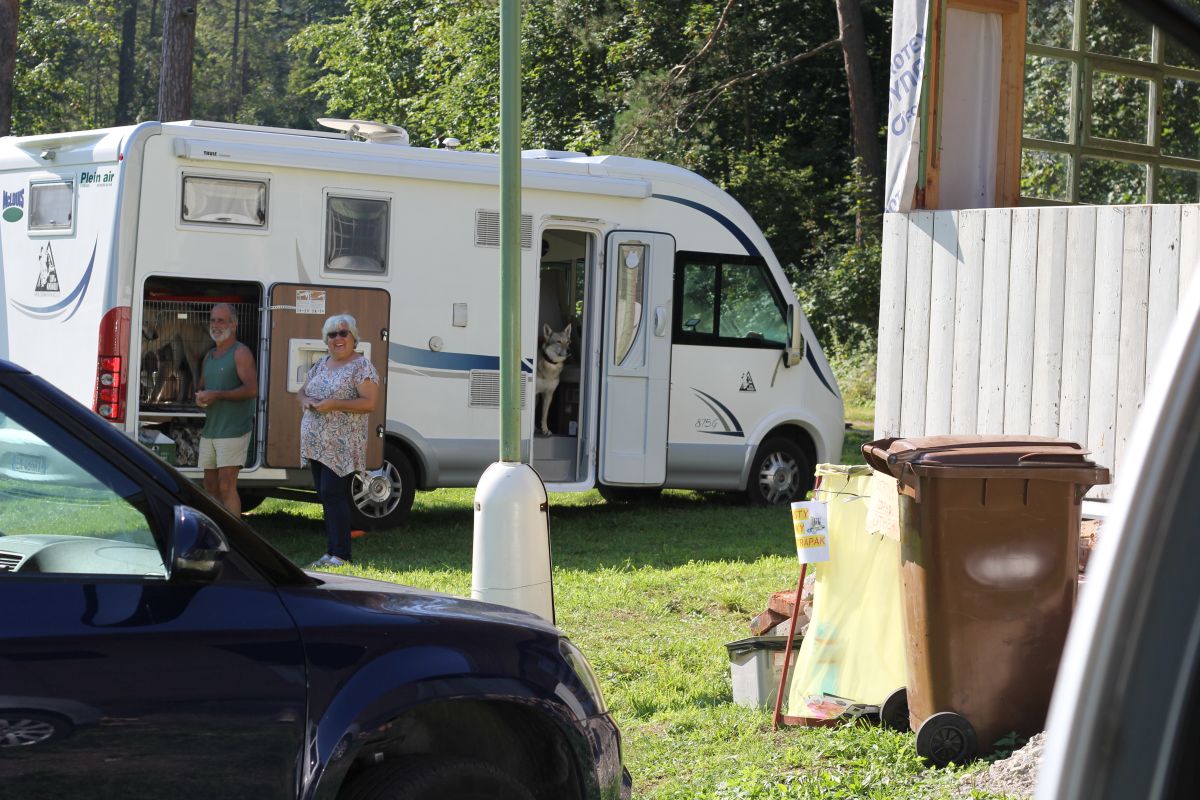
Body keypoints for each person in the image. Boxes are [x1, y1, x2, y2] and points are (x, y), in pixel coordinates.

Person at [299, 313, 379, 567]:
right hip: (317, 442)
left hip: (341, 444)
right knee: (325, 494)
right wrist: (305, 400)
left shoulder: (361, 366)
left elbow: (369, 403)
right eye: (332, 334)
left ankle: (342, 554)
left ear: (354, 337)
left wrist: (335, 404)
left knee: (334, 493)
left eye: (343, 333)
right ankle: (332, 551)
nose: (337, 338)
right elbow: (302, 390)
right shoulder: (322, 363)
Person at [195, 302, 258, 515]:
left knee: (226, 485)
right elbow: (203, 388)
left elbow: (252, 390)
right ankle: (215, 531)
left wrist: (217, 395)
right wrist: (200, 398)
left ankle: (234, 537)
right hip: (211, 430)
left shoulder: (241, 353)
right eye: (213, 320)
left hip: (234, 429)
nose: (215, 325)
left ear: (234, 324)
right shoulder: (209, 356)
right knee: (210, 485)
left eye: (221, 320)